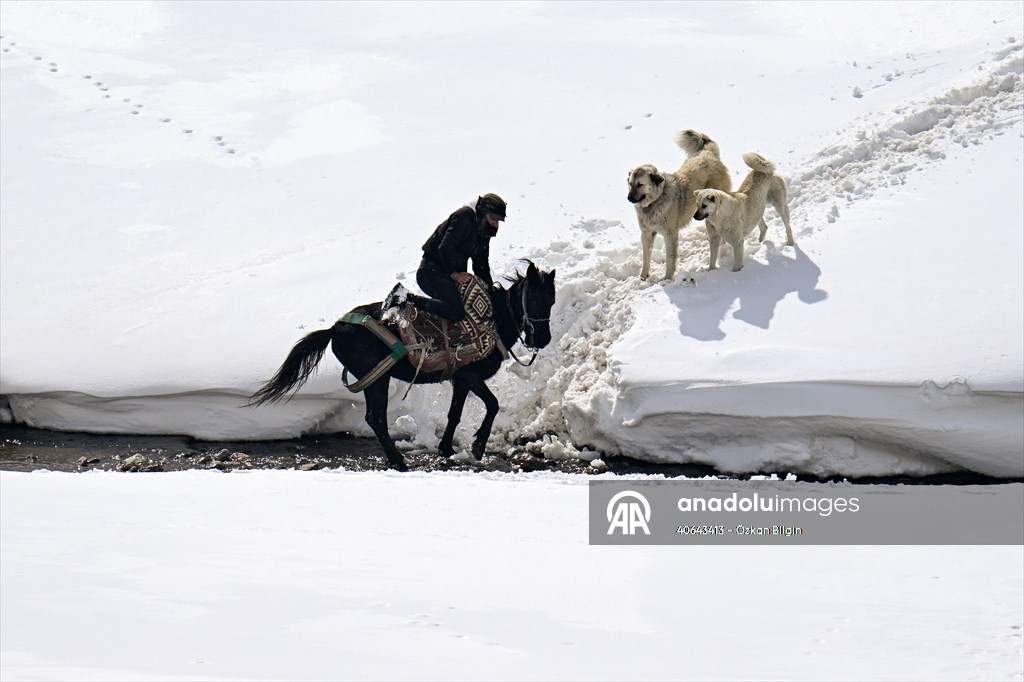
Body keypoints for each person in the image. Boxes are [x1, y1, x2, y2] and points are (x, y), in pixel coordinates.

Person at [384, 193, 506, 323]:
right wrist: (454, 274)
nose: (495, 224)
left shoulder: (483, 232)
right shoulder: (463, 217)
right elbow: (445, 247)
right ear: (482, 212)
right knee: (456, 312)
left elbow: (481, 265)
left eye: (498, 220)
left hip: (447, 276)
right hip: (431, 272)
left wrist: (490, 292)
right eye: (493, 218)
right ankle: (404, 297)